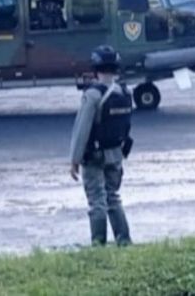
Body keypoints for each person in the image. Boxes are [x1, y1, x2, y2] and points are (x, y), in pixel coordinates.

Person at [69, 45, 133, 246]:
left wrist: (74, 160)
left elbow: (82, 129)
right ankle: (124, 240)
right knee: (113, 197)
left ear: (96, 67)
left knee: (97, 200)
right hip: (116, 153)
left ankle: (98, 244)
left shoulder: (93, 95)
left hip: (94, 156)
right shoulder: (125, 91)